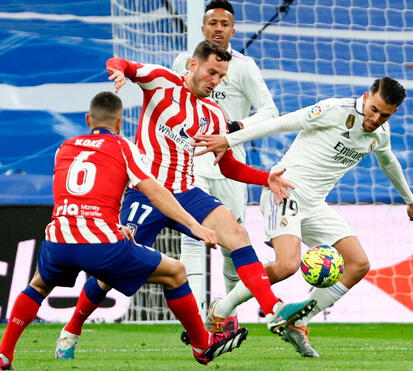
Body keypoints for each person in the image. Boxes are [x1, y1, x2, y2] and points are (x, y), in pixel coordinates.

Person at [54, 41, 316, 360]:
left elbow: (228, 165)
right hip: (147, 192)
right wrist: (119, 72)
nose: (216, 80)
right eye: (211, 72)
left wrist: (266, 177)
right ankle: (72, 330)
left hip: (187, 192)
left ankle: (273, 308)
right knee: (108, 273)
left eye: (221, 76)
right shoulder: (161, 81)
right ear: (193, 65)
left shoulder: (213, 114)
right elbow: (121, 61)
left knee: (237, 235)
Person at [0, 92, 249, 369]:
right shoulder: (122, 146)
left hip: (58, 239)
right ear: (120, 122)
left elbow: (74, 195)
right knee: (176, 272)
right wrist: (194, 225)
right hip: (100, 246)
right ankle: (203, 346)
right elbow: (155, 192)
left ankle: (4, 354)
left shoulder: (64, 148)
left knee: (37, 285)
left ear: (87, 119)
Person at [193, 76, 413, 357]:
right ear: (366, 96)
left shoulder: (380, 134)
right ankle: (221, 310)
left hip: (315, 204)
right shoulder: (334, 110)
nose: (375, 118)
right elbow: (281, 123)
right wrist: (228, 140)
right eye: (374, 109)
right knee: (287, 264)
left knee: (358, 264)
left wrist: (409, 201)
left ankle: (299, 322)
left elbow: (389, 162)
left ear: (394, 112)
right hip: (286, 190)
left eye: (384, 115)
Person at [170, 0, 279, 330]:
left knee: (234, 245)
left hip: (229, 164)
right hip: (189, 163)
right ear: (203, 29)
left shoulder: (244, 67)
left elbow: (269, 113)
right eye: (212, 22)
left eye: (224, 23)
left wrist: (231, 130)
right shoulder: (183, 62)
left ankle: (226, 315)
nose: (218, 28)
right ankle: (195, 319)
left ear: (233, 30)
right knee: (192, 238)